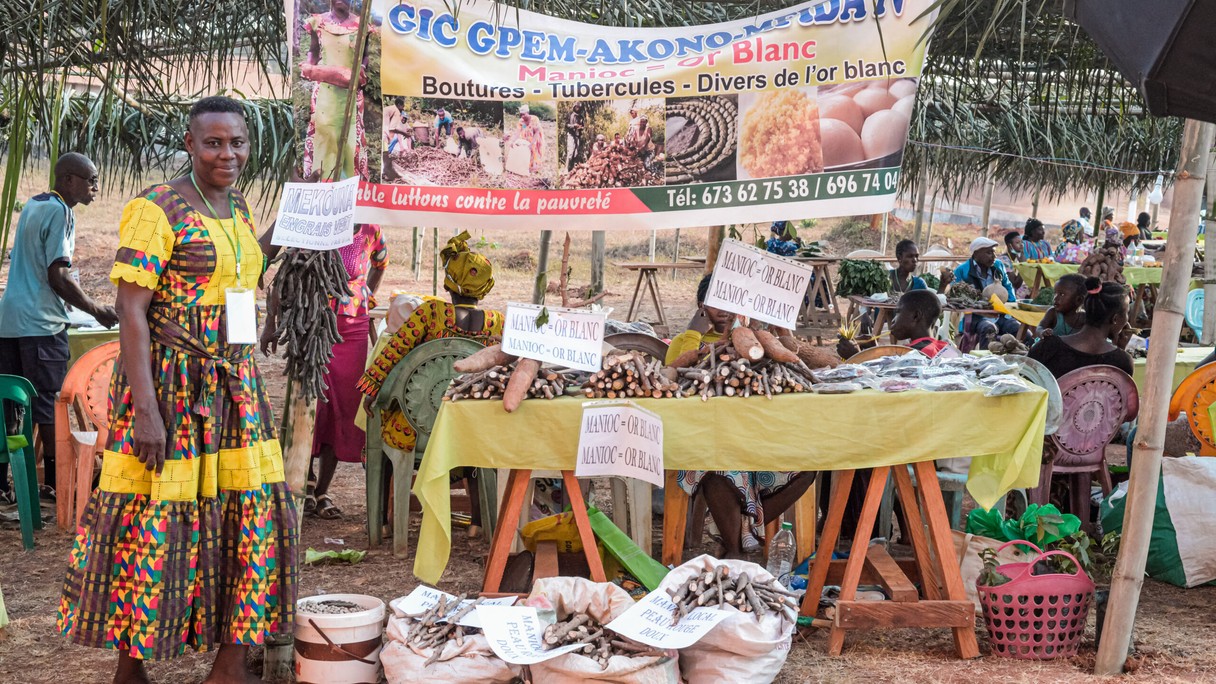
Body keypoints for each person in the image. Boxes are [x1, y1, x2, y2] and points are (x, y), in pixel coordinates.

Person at [57, 96, 297, 681]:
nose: (228, 153)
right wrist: (145, 409)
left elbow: (241, 273)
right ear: (189, 144)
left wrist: (294, 221)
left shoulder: (235, 206)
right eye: (214, 142)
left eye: (237, 142)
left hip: (235, 391)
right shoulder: (156, 208)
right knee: (154, 522)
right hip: (172, 387)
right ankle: (131, 666)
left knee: (250, 516)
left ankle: (230, 662)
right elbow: (130, 311)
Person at [666, 275, 815, 557]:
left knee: (809, 465)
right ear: (701, 307)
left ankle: (746, 527)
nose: (724, 309)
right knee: (716, 466)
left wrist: (778, 333)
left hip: (761, 438)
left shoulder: (756, 342)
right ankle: (737, 548)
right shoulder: (687, 341)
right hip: (707, 440)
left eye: (731, 302)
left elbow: (792, 361)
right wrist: (693, 332)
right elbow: (674, 371)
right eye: (715, 303)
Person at [359, 232, 501, 525]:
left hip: (415, 432)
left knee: (382, 436)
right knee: (476, 459)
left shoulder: (430, 313)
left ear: (449, 283)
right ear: (485, 287)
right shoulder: (496, 322)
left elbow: (395, 350)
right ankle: (477, 524)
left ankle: (383, 523)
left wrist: (372, 389)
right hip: (468, 429)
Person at [0, 153, 118, 504]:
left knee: (12, 405)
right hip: (41, 325)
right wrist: (96, 309)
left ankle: (7, 484)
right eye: (90, 180)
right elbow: (58, 275)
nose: (96, 187)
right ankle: (53, 484)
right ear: (69, 180)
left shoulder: (35, 205)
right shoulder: (61, 211)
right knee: (50, 407)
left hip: (9, 321)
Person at [260, 223, 386, 519]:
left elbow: (381, 263)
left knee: (342, 407)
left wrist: (367, 294)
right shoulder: (318, 224)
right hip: (313, 323)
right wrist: (271, 321)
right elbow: (283, 276)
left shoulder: (371, 231)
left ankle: (323, 490)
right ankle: (304, 479)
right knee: (309, 403)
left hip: (352, 328)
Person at [301, 0, 370, 181]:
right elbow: (314, 51)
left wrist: (361, 69)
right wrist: (309, 67)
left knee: (349, 140)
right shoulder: (317, 22)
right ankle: (321, 185)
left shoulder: (361, 25)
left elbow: (365, 55)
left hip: (351, 91)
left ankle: (349, 189)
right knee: (325, 136)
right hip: (325, 92)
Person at [1028, 277, 1134, 379]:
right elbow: (1121, 392)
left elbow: (1025, 384)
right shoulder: (1122, 361)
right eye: (1126, 313)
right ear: (1115, 319)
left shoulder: (1046, 348)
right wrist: (1120, 350)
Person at [953, 236, 1020, 348]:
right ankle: (986, 361)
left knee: (1019, 329)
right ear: (976, 254)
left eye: (994, 253)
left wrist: (1011, 305)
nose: (994, 256)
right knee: (989, 329)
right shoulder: (963, 270)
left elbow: (1008, 286)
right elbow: (954, 293)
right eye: (989, 253)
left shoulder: (998, 266)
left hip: (1000, 315)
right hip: (977, 317)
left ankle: (1020, 359)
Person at [890, 289, 949, 357]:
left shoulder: (913, 353)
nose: (893, 321)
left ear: (916, 316)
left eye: (898, 312)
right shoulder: (945, 349)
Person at [1036, 273, 1087, 338]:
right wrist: (1042, 332)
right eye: (1055, 293)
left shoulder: (1084, 318)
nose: (1055, 298)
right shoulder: (1053, 313)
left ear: (1079, 300)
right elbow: (1040, 327)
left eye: (1061, 294)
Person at [514, 106, 545, 174]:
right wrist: (513, 141)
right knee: (527, 150)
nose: (522, 116)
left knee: (535, 150)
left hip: (536, 137)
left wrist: (532, 143)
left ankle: (535, 167)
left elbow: (537, 132)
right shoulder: (521, 121)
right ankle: (527, 166)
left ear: (527, 113)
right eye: (521, 114)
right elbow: (518, 131)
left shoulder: (534, 119)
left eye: (524, 114)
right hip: (527, 137)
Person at [565, 102, 584, 171]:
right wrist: (573, 126)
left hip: (577, 135)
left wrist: (580, 127)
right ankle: (566, 169)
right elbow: (566, 125)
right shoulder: (570, 115)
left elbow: (582, 126)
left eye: (579, 107)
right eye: (576, 107)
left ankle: (572, 168)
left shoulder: (581, 117)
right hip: (571, 135)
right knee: (570, 152)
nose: (577, 108)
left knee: (576, 153)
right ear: (574, 107)